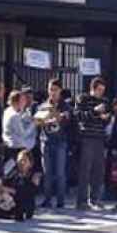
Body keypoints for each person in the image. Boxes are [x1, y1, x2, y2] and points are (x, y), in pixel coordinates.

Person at [1, 89, 39, 220]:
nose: (25, 103)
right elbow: (23, 133)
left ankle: (18, 206)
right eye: (23, 100)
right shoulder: (14, 116)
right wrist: (33, 124)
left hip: (9, 146)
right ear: (17, 101)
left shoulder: (8, 111)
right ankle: (21, 207)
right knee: (20, 180)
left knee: (12, 177)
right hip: (17, 147)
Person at [73, 78, 111, 210]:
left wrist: (106, 118)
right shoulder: (83, 99)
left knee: (98, 171)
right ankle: (82, 201)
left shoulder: (105, 101)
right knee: (85, 170)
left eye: (103, 90)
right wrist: (94, 111)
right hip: (87, 138)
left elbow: (106, 120)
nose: (101, 93)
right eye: (99, 90)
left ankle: (95, 199)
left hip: (100, 138)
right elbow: (78, 116)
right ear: (93, 88)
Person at [36, 80, 72, 210]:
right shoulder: (42, 106)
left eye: (55, 89)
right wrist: (42, 119)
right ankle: (47, 199)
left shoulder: (65, 106)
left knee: (60, 172)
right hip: (45, 141)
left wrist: (56, 113)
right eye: (51, 89)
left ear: (60, 91)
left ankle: (60, 200)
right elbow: (37, 122)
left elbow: (66, 118)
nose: (53, 92)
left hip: (60, 142)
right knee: (47, 172)